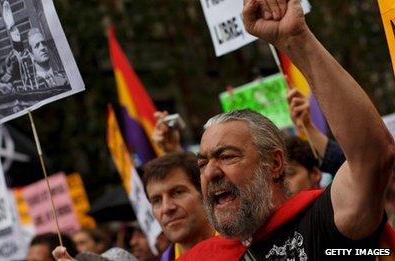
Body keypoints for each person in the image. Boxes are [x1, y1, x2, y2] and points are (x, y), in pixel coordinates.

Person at [180, 0, 395, 259]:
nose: (211, 172)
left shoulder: (321, 223)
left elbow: (373, 156)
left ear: (275, 163)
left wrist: (297, 39)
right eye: (202, 163)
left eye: (227, 156)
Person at [142, 152, 215, 260]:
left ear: (205, 193)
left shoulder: (244, 246)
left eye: (178, 192)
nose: (166, 208)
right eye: (157, 200)